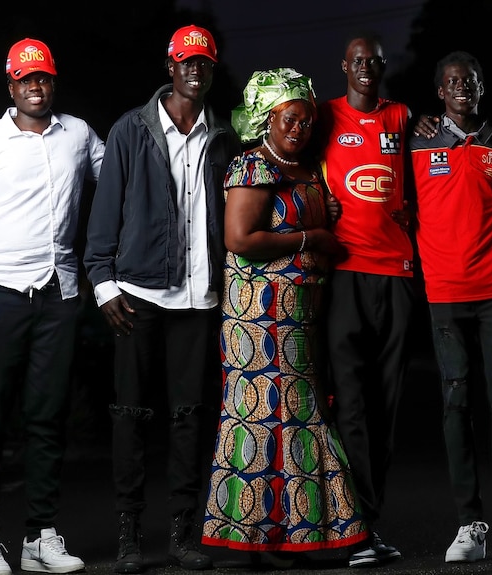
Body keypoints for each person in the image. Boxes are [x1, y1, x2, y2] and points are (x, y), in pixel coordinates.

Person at [0, 37, 103, 575]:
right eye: (26, 78)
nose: (37, 86)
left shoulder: (77, 134)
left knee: (47, 419)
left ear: (53, 82)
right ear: (11, 86)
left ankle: (40, 536)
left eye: (45, 77)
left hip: (57, 295)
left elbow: (120, 174)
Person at [83, 24, 239, 574]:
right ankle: (128, 535)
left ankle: (182, 534)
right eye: (186, 63)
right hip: (138, 295)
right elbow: (105, 215)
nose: (194, 71)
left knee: (189, 418)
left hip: (199, 299)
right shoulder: (132, 130)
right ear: (169, 67)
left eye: (204, 64)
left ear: (211, 71)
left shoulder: (222, 136)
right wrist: (102, 283)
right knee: (130, 414)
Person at [200, 68, 369, 561]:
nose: (298, 128)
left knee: (294, 413)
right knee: (263, 414)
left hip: (301, 314)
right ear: (265, 119)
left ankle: (292, 535)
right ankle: (259, 538)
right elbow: (239, 240)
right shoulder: (252, 167)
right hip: (258, 318)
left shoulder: (308, 169)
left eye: (306, 120)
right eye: (288, 119)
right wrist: (310, 239)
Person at [409, 51, 492, 565]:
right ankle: (470, 524)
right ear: (440, 91)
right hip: (443, 290)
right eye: (452, 81)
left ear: (482, 88)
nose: (463, 86)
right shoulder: (417, 142)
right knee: (455, 400)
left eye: (471, 80)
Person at [316, 31, 412, 568]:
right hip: (345, 274)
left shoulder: (403, 117)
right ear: (344, 66)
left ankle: (368, 521)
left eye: (375, 61)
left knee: (385, 405)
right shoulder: (324, 116)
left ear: (383, 67)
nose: (367, 69)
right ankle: (351, 527)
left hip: (397, 273)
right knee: (348, 402)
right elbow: (297, 160)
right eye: (358, 62)